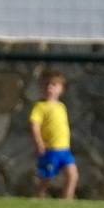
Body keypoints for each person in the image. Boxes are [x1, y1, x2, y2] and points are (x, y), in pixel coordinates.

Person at [29, 69, 80, 199]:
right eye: (46, 85)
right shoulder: (40, 107)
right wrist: (39, 143)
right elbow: (35, 125)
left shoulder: (61, 106)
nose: (49, 88)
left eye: (53, 85)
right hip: (50, 150)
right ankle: (38, 197)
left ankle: (67, 201)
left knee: (72, 175)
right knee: (46, 178)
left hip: (64, 150)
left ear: (61, 89)